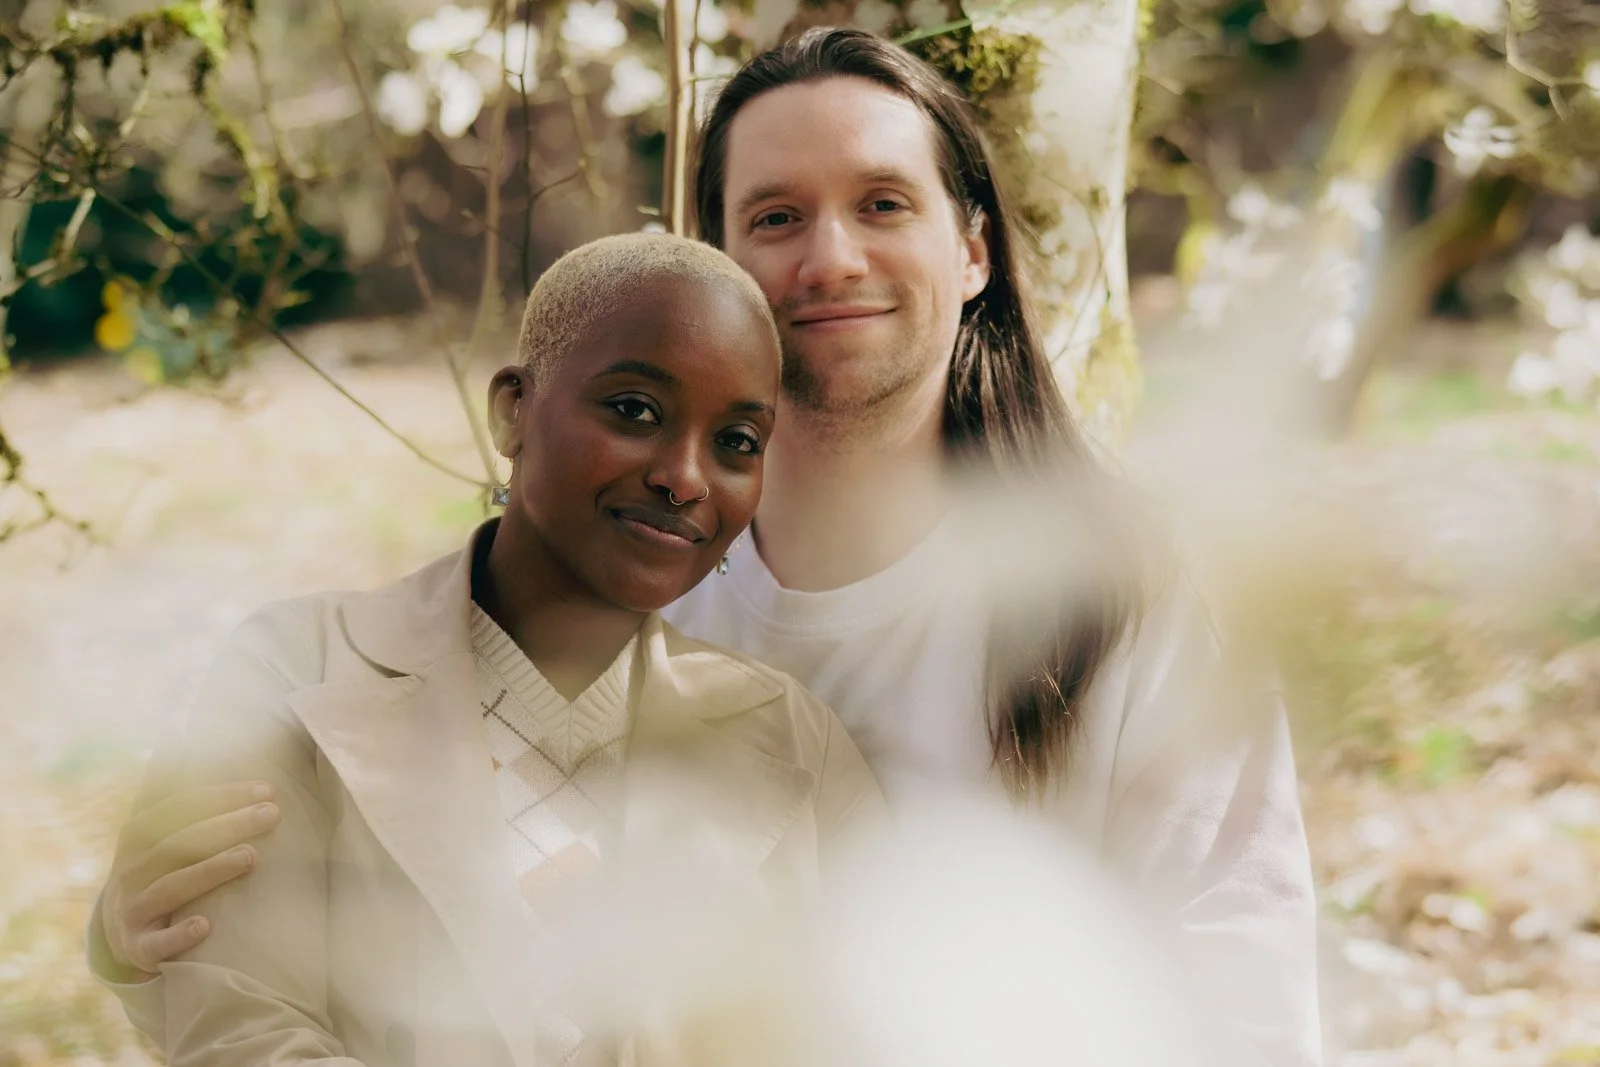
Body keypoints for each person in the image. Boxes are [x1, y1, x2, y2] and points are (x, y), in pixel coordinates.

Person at [92, 27, 1320, 1067]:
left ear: (973, 249)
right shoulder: (620, 570)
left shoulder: (1111, 597)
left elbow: (1239, 986)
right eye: (775, 216)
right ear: (712, 269)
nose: (829, 256)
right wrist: (148, 938)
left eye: (882, 203)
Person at [88, 232, 884, 1067]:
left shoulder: (794, 736)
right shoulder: (294, 669)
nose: (685, 476)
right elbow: (242, 1027)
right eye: (635, 410)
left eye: (737, 443)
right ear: (513, 410)